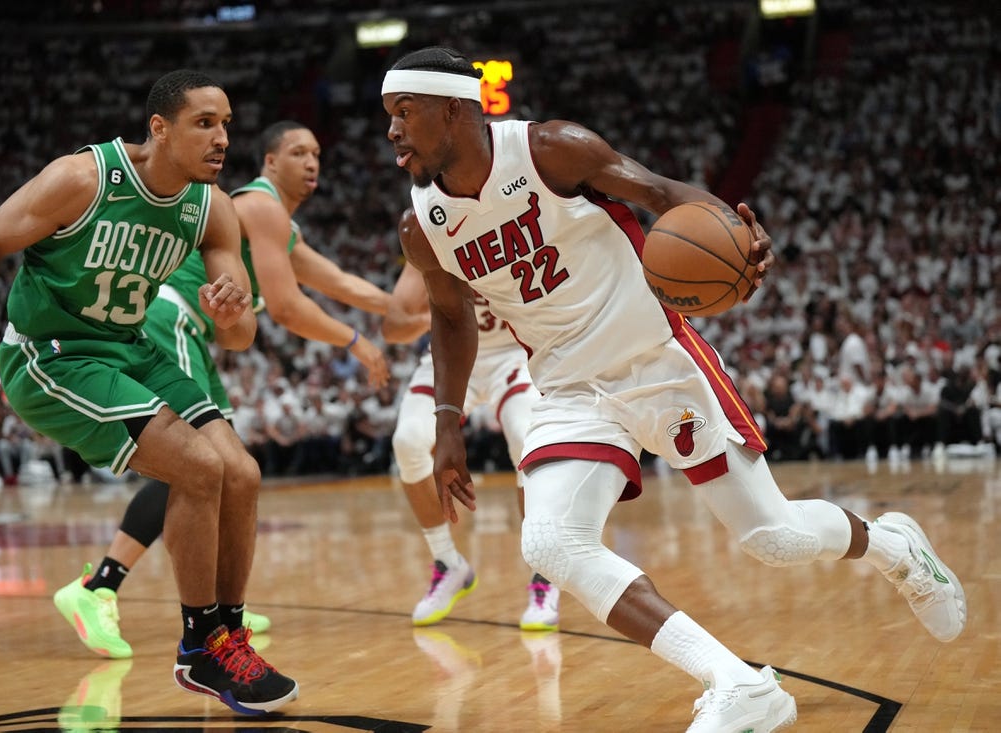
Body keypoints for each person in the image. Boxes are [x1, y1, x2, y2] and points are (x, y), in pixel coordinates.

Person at [380, 47, 966, 732]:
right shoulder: (423, 223)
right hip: (570, 389)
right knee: (550, 541)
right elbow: (450, 318)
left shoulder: (550, 150)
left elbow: (663, 194)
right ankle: (740, 684)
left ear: (454, 109)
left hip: (657, 358)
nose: (391, 130)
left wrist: (739, 233)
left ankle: (896, 547)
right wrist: (447, 420)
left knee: (770, 536)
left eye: (403, 112)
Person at [0, 69, 298, 715]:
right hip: (52, 354)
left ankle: (230, 637)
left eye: (226, 125)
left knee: (240, 472)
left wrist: (233, 308)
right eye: (205, 123)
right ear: (159, 128)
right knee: (196, 467)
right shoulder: (83, 178)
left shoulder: (212, 207)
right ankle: (199, 648)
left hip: (131, 347)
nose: (222, 139)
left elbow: (241, 334)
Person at [53, 119, 403, 659]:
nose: (312, 163)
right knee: (203, 465)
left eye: (317, 153)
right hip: (171, 321)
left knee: (220, 472)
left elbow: (336, 282)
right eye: (298, 152)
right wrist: (357, 340)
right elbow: (286, 307)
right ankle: (97, 587)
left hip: (187, 331)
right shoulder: (258, 206)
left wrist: (407, 310)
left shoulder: (280, 225)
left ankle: (211, 606)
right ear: (269, 163)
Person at [383, 262, 559, 631]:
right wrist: (444, 314)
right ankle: (448, 562)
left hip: (512, 354)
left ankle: (544, 573)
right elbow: (394, 326)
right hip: (449, 353)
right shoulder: (428, 233)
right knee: (408, 441)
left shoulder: (509, 226)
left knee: (526, 437)